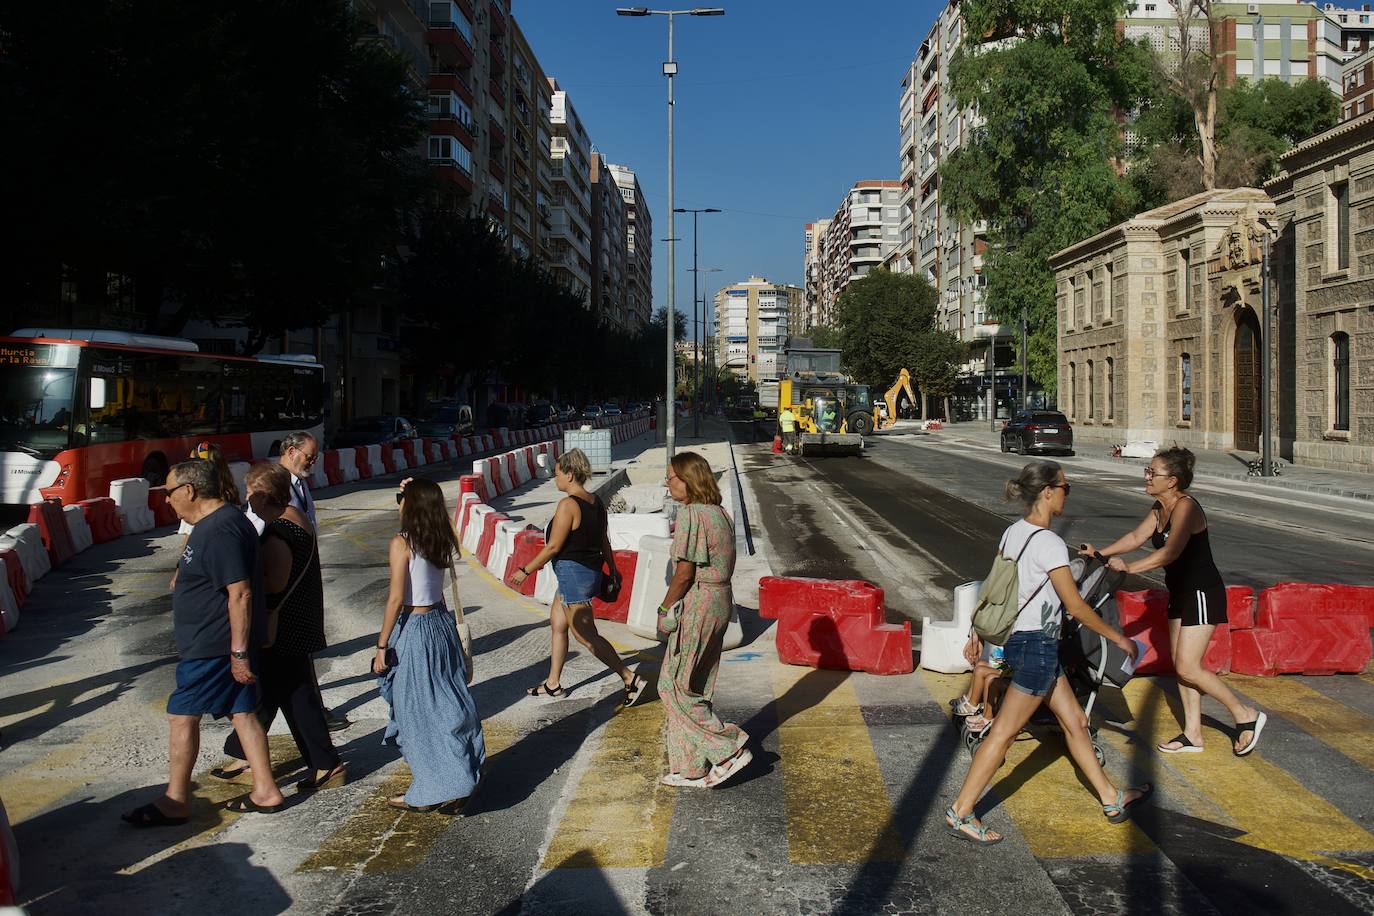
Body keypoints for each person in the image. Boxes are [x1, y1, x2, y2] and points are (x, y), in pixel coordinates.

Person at [946, 461, 1151, 844]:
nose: (1066, 493)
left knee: (1075, 721)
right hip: (1038, 646)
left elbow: (994, 586)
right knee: (1003, 734)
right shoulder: (1050, 543)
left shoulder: (1012, 533)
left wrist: (977, 628)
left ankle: (1111, 798)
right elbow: (1075, 607)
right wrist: (1118, 638)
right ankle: (961, 811)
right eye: (1065, 487)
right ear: (1046, 492)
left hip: (1026, 642)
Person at [122, 460, 284, 826]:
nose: (166, 500)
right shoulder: (214, 525)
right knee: (241, 713)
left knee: (181, 717)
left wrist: (239, 652)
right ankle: (266, 789)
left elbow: (239, 593)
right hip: (220, 644)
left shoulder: (221, 529)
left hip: (213, 646)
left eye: (168, 492)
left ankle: (175, 801)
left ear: (189, 491)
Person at [1082, 447, 1264, 756]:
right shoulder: (1158, 507)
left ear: (1173, 481)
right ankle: (1193, 734)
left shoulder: (1186, 508)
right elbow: (1136, 537)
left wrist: (1130, 567)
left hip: (1202, 593)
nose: (1147, 477)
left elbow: (1170, 553)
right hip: (1179, 592)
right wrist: (1102, 554)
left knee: (1188, 667)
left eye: (1154, 473)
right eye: (1148, 471)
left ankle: (1245, 715)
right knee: (1182, 669)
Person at [211, 464, 345, 793]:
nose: (247, 499)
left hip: (283, 627)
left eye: (251, 493)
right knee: (278, 692)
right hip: (297, 623)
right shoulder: (296, 520)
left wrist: (239, 581)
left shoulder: (277, 533)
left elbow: (274, 582)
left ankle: (326, 764)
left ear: (266, 495)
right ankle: (247, 751)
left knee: (295, 696)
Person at [372, 477, 484, 812]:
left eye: (402, 498)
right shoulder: (439, 538)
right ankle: (457, 779)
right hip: (440, 623)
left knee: (414, 711)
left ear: (410, 504)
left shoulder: (402, 542)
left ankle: (430, 788)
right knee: (448, 704)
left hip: (415, 627)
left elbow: (395, 599)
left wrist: (381, 646)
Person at [510, 449, 645, 703]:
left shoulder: (568, 505)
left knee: (586, 636)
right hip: (587, 573)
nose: (555, 478)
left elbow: (553, 547)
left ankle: (630, 678)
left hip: (573, 575)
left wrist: (525, 570)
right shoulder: (596, 502)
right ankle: (553, 683)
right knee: (558, 625)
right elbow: (604, 540)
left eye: (558, 473)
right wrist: (612, 570)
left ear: (570, 475)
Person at [655, 452, 751, 788]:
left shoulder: (692, 514)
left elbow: (684, 573)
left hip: (700, 601)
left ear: (688, 479)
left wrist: (665, 610)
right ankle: (690, 767)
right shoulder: (719, 512)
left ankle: (727, 750)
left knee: (672, 687)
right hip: (720, 599)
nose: (667, 484)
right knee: (694, 685)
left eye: (671, 477)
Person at [169, 442, 240, 589]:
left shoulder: (195, 500)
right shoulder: (231, 493)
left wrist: (179, 569)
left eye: (191, 462)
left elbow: (189, 538)